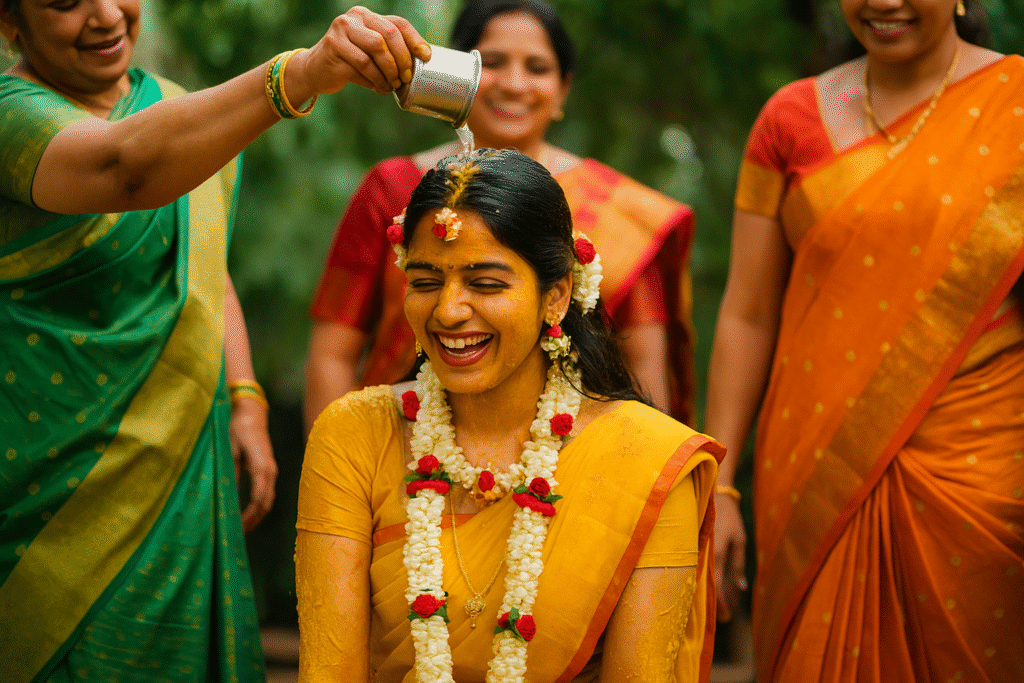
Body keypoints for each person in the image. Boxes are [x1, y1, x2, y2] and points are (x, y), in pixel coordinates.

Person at [0, 1, 431, 679]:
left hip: (181, 459)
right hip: (53, 474)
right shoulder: (10, 115)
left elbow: (203, 258)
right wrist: (301, 72)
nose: (105, 15)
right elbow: (125, 168)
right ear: (7, 21)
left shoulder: (172, 106)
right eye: (64, 1)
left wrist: (245, 395)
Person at [296, 149, 723, 682]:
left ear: (557, 295)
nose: (448, 311)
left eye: (486, 284)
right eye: (426, 282)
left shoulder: (648, 462)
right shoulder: (354, 434)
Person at [705, 0, 1024, 680]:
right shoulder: (787, 119)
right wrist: (721, 483)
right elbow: (747, 312)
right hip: (817, 467)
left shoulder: (1015, 103)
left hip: (986, 470)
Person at [304, 0, 697, 434]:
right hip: (400, 452)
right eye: (490, 62)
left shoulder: (626, 214)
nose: (513, 84)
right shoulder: (394, 187)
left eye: (537, 68)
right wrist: (337, 470)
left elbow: (644, 370)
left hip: (561, 469)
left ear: (564, 89)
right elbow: (333, 352)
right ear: (456, 72)